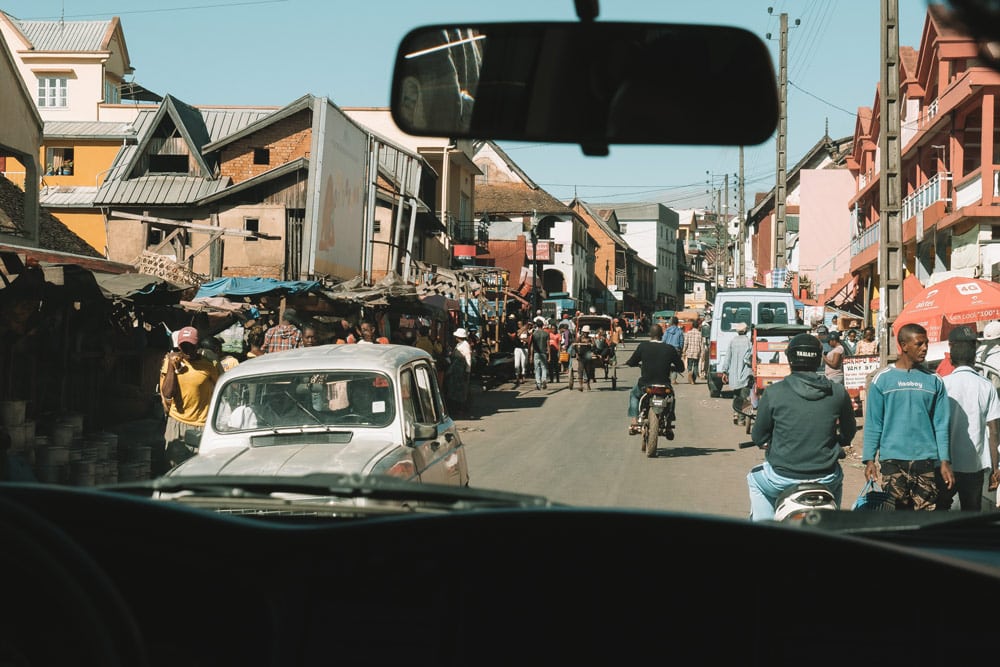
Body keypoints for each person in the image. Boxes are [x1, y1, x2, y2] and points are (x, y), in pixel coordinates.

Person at [747, 333, 858, 521]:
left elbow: (758, 436)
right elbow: (848, 433)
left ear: (790, 358)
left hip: (781, 477)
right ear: (819, 359)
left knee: (754, 479)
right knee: (837, 479)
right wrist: (836, 442)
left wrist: (769, 442)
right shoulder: (838, 392)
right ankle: (831, 524)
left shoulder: (774, 392)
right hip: (826, 477)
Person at [863, 323, 955, 510]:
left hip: (926, 461)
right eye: (919, 344)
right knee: (896, 519)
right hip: (892, 461)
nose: (925, 348)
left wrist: (945, 460)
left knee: (925, 521)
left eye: (926, 343)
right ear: (904, 346)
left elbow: (941, 424)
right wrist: (869, 459)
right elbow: (874, 423)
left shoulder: (934, 380)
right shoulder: (882, 380)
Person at [938, 325, 1000, 511]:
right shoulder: (986, 386)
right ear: (974, 357)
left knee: (941, 512)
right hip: (975, 465)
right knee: (971, 514)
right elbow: (993, 431)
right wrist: (995, 468)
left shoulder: (942, 384)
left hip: (944, 464)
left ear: (952, 357)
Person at [159, 326, 220, 469]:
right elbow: (168, 393)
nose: (187, 351)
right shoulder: (171, 363)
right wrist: (171, 367)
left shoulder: (208, 366)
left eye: (190, 346)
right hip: (177, 423)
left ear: (197, 346)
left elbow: (219, 388)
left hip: (201, 425)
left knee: (200, 468)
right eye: (183, 346)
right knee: (174, 468)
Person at [624, 323, 683, 437]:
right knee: (671, 398)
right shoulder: (670, 349)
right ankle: (669, 424)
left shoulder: (643, 346)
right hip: (664, 386)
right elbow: (681, 368)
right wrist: (672, 367)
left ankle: (634, 421)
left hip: (645, 385)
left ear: (650, 334)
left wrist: (632, 363)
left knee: (634, 395)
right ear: (662, 335)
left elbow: (632, 362)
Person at [719, 322, 752, 426]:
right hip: (745, 373)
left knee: (736, 395)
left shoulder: (732, 341)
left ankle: (735, 413)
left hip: (733, 375)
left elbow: (727, 358)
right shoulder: (749, 342)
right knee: (745, 397)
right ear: (746, 330)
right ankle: (742, 419)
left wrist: (725, 371)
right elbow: (751, 358)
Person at [445, 328, 472, 417]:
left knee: (460, 391)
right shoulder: (459, 344)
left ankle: (461, 409)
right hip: (455, 369)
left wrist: (467, 371)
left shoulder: (465, 345)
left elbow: (468, 359)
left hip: (460, 370)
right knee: (454, 389)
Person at [528, 316, 551, 390]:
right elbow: (548, 346)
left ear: (537, 325)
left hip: (536, 353)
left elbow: (531, 345)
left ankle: (538, 383)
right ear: (542, 325)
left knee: (537, 369)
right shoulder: (546, 334)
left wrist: (531, 356)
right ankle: (544, 379)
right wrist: (549, 356)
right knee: (544, 368)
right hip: (543, 353)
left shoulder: (534, 334)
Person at [572, 325, 595, 391]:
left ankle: (588, 384)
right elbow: (574, 346)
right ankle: (581, 385)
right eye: (584, 332)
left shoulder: (591, 339)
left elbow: (594, 346)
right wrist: (576, 354)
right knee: (580, 371)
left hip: (588, 356)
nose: (585, 334)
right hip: (581, 356)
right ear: (582, 332)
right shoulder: (579, 338)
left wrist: (591, 344)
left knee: (588, 371)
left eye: (587, 332)